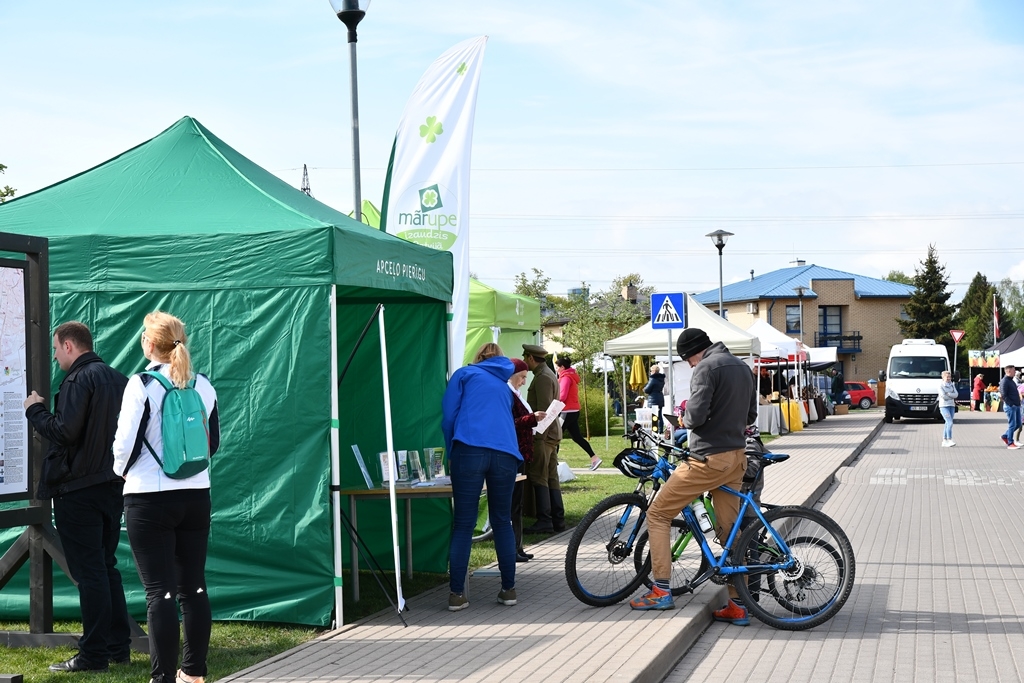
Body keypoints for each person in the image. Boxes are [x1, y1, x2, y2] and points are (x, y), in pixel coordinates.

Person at [111, 312, 220, 683]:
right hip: (196, 494)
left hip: (149, 498)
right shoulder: (203, 385)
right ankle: (194, 673)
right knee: (194, 586)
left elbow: (124, 445)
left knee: (160, 593)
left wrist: (120, 473)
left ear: (150, 344)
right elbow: (212, 443)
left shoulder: (140, 384)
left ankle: (163, 679)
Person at [23, 321, 133, 673]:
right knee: (105, 566)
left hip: (78, 490)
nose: (55, 357)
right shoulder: (120, 380)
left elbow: (65, 431)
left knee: (91, 574)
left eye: (56, 349)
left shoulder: (77, 380)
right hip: (112, 486)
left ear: (69, 346)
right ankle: (118, 647)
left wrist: (35, 410)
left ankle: (93, 655)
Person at [630, 328, 757, 621]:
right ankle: (738, 605)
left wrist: (684, 419)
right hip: (736, 458)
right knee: (728, 531)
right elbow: (750, 417)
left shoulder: (706, 368)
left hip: (708, 459)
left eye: (687, 360)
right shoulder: (742, 367)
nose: (689, 365)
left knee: (658, 514)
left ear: (693, 353)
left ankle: (661, 591)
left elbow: (696, 416)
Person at [441, 343, 521, 611]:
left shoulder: (464, 375)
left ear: (478, 358)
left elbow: (449, 416)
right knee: (502, 521)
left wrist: (452, 449)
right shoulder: (505, 386)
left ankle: (457, 595)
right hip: (506, 454)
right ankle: (509, 590)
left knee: (463, 524)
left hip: (469, 449)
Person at [521, 344, 565, 534]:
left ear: (531, 358)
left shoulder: (542, 378)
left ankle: (545, 520)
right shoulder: (547, 374)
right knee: (551, 477)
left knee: (540, 476)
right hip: (550, 435)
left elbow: (545, 411)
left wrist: (538, 437)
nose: (524, 362)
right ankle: (557, 520)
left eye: (525, 357)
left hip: (543, 435)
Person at [508, 358, 546, 562]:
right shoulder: (507, 393)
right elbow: (509, 422)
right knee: (513, 503)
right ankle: (512, 548)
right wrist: (532, 418)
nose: (524, 381)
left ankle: (517, 546)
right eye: (522, 377)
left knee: (518, 503)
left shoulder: (516, 394)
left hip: (521, 451)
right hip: (515, 451)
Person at [555, 356, 602, 470]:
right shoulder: (571, 376)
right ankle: (594, 458)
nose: (556, 369)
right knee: (577, 437)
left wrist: (554, 400)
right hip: (574, 411)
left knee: (555, 437)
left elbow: (563, 396)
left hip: (566, 411)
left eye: (557, 367)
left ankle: (553, 464)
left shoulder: (565, 378)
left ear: (562, 367)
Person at [998, 365, 1021, 449]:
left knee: (1018, 423)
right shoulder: (1004, 381)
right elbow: (1003, 394)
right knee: (1012, 424)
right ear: (1009, 371)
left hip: (1016, 405)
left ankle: (1005, 436)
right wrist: (1011, 404)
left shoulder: (1011, 381)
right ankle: (1010, 443)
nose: (1015, 372)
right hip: (1011, 406)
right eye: (1014, 370)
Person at [644, 364, 666, 432]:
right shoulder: (661, 379)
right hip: (660, 398)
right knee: (660, 416)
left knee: (654, 416)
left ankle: (655, 430)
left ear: (653, 371)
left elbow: (647, 389)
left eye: (651, 371)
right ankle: (660, 429)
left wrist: (644, 389)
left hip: (653, 399)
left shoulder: (653, 379)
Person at [938, 370, 957, 447]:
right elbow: (943, 396)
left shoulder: (952, 385)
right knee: (950, 422)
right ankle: (949, 439)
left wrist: (949, 394)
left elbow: (956, 394)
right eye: (947, 377)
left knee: (947, 423)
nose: (949, 378)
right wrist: (950, 395)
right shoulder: (940, 386)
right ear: (943, 377)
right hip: (944, 406)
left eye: (949, 377)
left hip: (951, 405)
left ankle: (944, 440)